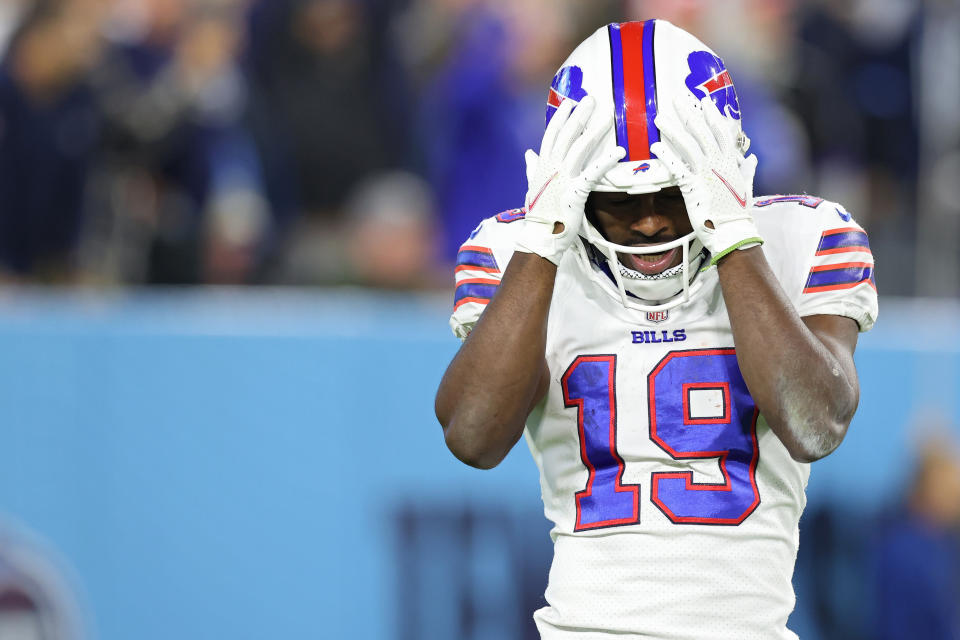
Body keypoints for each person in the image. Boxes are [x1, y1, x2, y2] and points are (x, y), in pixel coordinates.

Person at [435, 19, 878, 640]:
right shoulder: (513, 252)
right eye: (619, 202)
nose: (648, 225)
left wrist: (731, 232)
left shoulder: (804, 237)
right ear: (575, 190)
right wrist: (542, 241)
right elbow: (473, 438)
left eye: (671, 197)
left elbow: (815, 422)